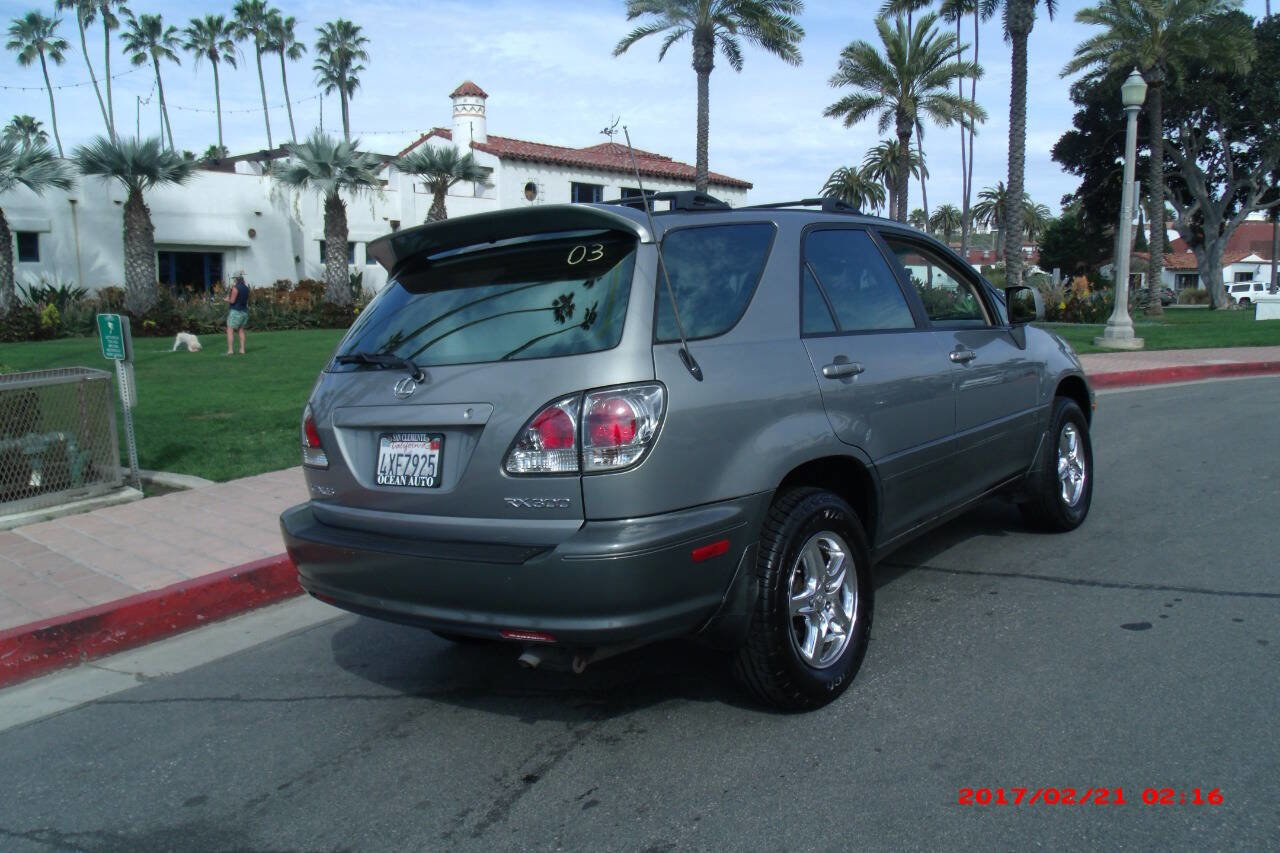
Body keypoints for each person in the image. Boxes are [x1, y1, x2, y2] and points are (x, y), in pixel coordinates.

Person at [224, 273, 250, 355]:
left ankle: (230, 350)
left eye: (234, 279)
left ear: (236, 279)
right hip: (244, 312)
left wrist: (226, 299)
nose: (233, 280)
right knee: (241, 330)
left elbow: (232, 301)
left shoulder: (235, 288)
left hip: (236, 311)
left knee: (230, 330)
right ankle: (242, 350)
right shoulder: (246, 288)